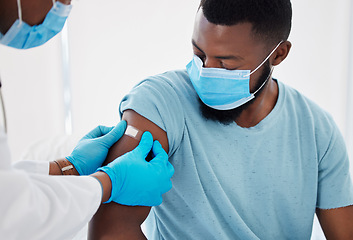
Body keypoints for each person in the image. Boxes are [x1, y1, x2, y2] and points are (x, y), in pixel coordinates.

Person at [88, 0, 353, 239]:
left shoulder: (317, 129)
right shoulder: (159, 103)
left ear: (278, 54)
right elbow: (111, 232)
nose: (205, 73)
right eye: (199, 55)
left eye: (226, 64)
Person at [0, 0, 174, 239]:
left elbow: (5, 188)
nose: (63, 6)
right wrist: (108, 182)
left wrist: (67, 167)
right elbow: (14, 215)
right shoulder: (156, 98)